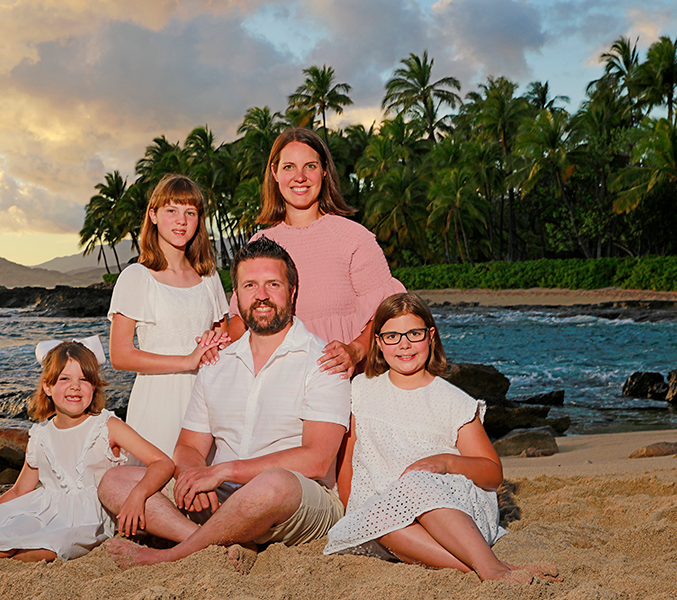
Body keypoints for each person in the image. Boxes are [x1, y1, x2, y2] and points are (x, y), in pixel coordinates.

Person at [99, 237, 351, 568]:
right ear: (237, 298)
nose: (261, 295)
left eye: (272, 284)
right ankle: (221, 540)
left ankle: (176, 552)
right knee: (115, 482)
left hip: (297, 500)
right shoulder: (218, 361)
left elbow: (317, 460)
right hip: (224, 497)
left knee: (272, 482)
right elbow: (189, 444)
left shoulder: (323, 360)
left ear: (292, 292)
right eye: (249, 285)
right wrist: (194, 473)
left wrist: (221, 471)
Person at [323, 293, 559, 583]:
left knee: (415, 482)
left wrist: (446, 462)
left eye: (414, 333)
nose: (404, 344)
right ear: (379, 342)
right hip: (390, 521)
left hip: (452, 509)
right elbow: (348, 461)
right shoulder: (360, 390)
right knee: (377, 513)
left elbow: (492, 473)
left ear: (430, 336)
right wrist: (351, 508)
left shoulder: (452, 401)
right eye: (393, 336)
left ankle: (487, 566)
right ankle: (491, 567)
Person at [0, 337, 174, 565]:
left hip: (89, 518)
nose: (75, 386)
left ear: (94, 386)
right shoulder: (41, 434)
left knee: (49, 550)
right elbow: (19, 491)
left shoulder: (107, 425)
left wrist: (137, 495)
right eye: (64, 379)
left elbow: (162, 462)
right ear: (48, 387)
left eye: (84, 379)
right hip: (43, 509)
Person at [227, 127, 405, 378]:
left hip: (341, 380)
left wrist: (354, 351)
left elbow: (388, 311)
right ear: (274, 173)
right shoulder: (260, 243)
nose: (299, 177)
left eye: (309, 166)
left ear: (324, 171)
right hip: (276, 380)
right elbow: (241, 317)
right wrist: (220, 343)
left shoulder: (354, 238)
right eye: (289, 167)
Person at [108, 174, 230, 457]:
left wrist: (217, 340)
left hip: (206, 395)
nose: (181, 220)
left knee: (205, 485)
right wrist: (187, 360)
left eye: (190, 212)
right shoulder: (136, 277)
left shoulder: (208, 276)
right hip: (157, 398)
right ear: (153, 215)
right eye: (171, 210)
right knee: (158, 486)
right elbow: (120, 355)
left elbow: (225, 337)